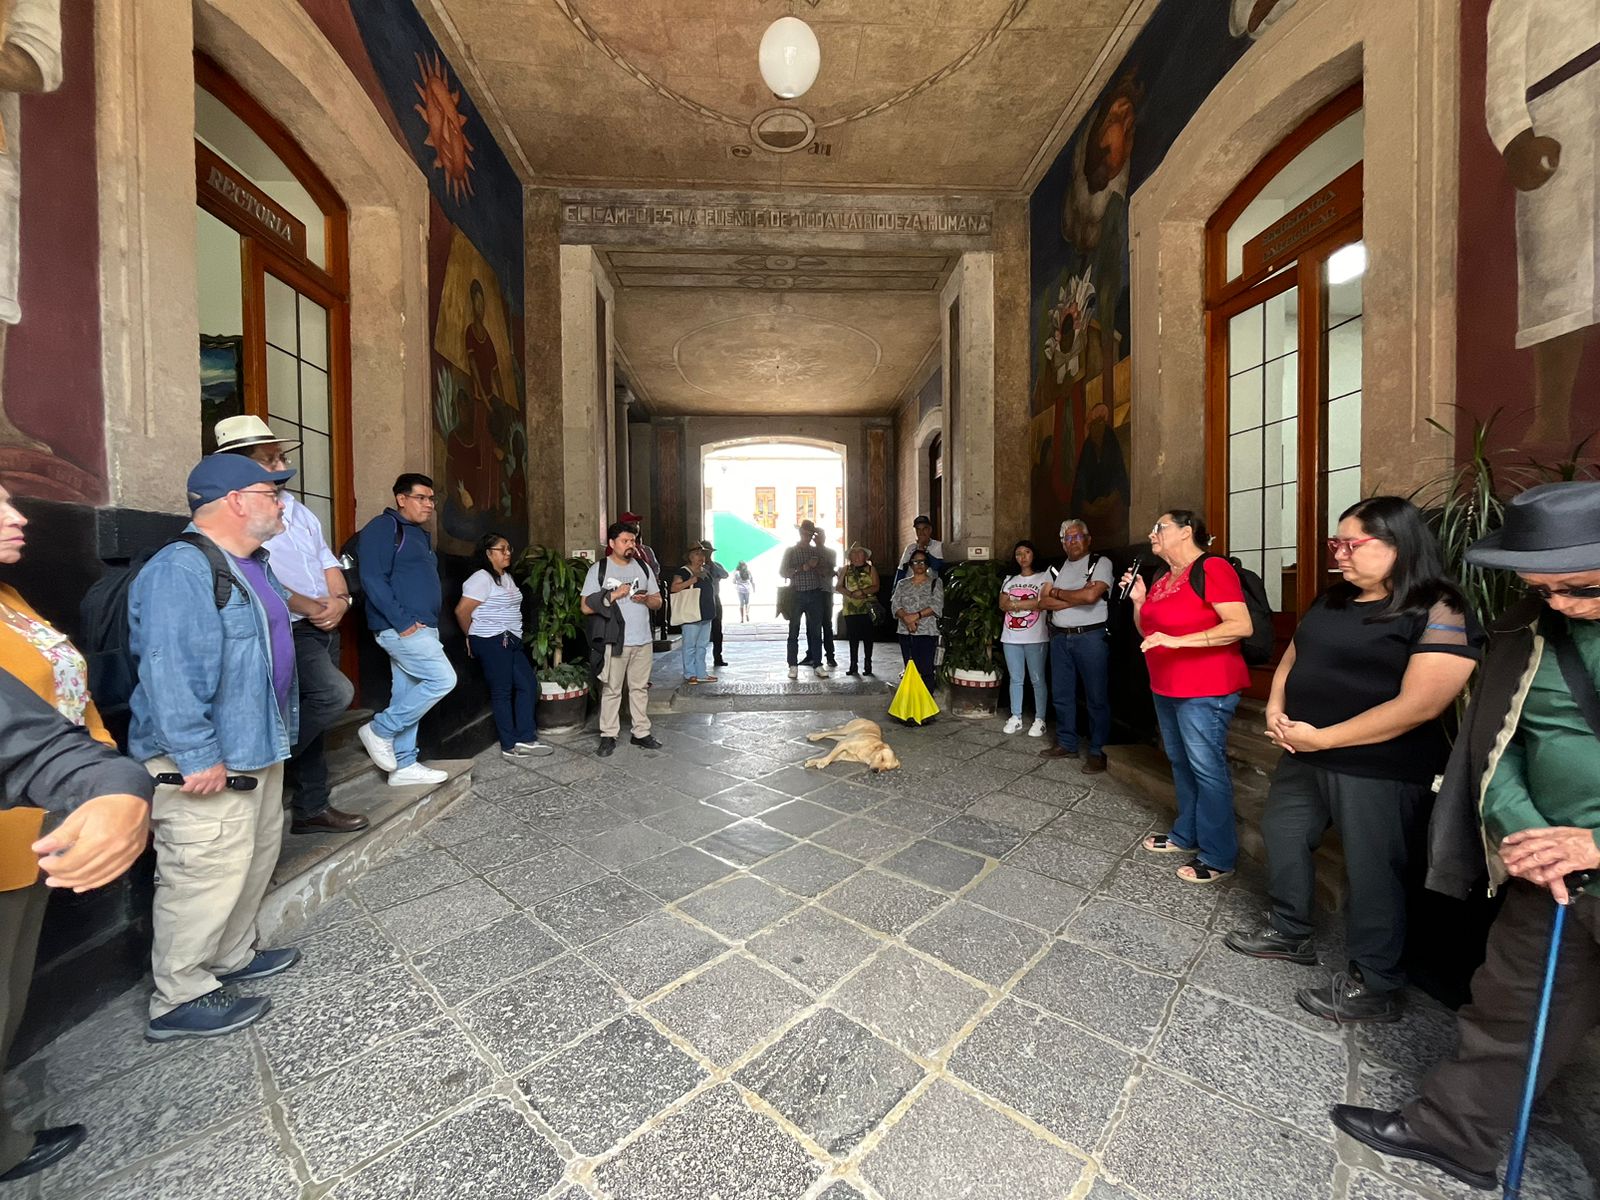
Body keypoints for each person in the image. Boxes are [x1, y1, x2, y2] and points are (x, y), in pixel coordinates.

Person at [1329, 481, 1600, 1191]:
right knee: (1508, 1003)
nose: (1561, 603)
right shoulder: (1527, 625)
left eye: (1579, 588)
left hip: (1591, 853)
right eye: (1543, 587)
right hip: (1550, 868)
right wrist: (1524, 827)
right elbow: (1496, 744)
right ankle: (1455, 1134)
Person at [1224, 497, 1484, 1024]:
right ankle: (1290, 930)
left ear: (1399, 545)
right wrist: (1276, 709)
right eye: (1335, 543)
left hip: (1380, 765)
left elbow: (1421, 704)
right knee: (1284, 832)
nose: (1338, 554)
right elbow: (1295, 654)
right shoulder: (1334, 599)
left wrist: (1328, 738)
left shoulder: (1439, 607)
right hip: (1305, 749)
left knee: (1373, 869)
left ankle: (1376, 981)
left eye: (1352, 544)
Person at [129, 454, 305, 1040]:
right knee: (202, 868)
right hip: (210, 756)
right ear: (234, 500)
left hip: (258, 741)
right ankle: (179, 994)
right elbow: (168, 668)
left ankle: (231, 956)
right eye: (271, 492)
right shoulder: (181, 568)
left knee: (250, 857)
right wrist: (196, 752)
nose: (281, 503)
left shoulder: (254, 563)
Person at [0, 671, 151, 1183]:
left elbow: (32, 739)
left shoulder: (17, 607)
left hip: (43, 822)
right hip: (47, 812)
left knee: (7, 996)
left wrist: (111, 781)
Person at [214, 416, 366, 835]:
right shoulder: (238, 510)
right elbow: (253, 570)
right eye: (269, 458)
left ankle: (312, 806)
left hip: (324, 623)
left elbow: (326, 559)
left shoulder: (298, 510)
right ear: (240, 468)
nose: (282, 463)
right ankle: (264, 765)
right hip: (287, 625)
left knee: (311, 715)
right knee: (333, 694)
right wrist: (310, 607)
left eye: (281, 455)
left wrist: (341, 601)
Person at [1123, 509, 1252, 884]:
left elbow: (1240, 626)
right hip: (1166, 684)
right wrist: (1139, 601)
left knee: (1207, 769)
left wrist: (1179, 641)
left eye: (1159, 527)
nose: (1151, 534)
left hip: (1206, 689)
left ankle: (1218, 854)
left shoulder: (1212, 568)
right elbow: (1148, 630)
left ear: (1186, 531)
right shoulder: (1163, 577)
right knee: (1180, 762)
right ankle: (1186, 834)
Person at [356, 474, 456, 787]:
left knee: (408, 692)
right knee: (443, 679)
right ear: (401, 498)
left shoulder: (416, 534)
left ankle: (403, 765)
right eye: (421, 498)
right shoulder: (383, 528)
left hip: (420, 627)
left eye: (431, 499)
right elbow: (373, 579)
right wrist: (402, 623)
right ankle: (380, 729)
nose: (429, 505)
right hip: (401, 628)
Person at [454, 533, 550, 762]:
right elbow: (461, 611)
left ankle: (526, 738)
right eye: (502, 549)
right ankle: (509, 744)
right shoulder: (481, 578)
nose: (508, 553)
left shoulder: (505, 577)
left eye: (509, 548)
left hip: (511, 638)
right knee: (502, 691)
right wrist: (471, 636)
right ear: (488, 553)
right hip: (492, 640)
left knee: (527, 684)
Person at [581, 522, 663, 757]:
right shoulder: (599, 569)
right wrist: (614, 595)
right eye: (625, 541)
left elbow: (658, 601)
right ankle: (608, 735)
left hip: (643, 640)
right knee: (612, 689)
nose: (631, 545)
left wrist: (647, 600)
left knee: (639, 689)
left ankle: (641, 733)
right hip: (614, 640)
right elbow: (585, 607)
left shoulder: (643, 568)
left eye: (633, 541)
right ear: (612, 544)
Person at [1039, 520, 1115, 767]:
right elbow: (1043, 602)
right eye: (1067, 539)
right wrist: (1078, 596)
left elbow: (1092, 595)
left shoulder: (1100, 563)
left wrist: (1059, 593)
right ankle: (1067, 743)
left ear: (1088, 539)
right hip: (1060, 637)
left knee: (1096, 696)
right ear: (1062, 543)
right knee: (1062, 694)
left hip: (1090, 638)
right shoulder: (1055, 568)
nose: (1073, 542)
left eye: (1077, 537)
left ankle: (1097, 750)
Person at [998, 540, 1053, 738]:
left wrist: (1016, 603)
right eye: (1018, 553)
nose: (1022, 557)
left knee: (1038, 679)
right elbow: (1002, 604)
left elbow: (1043, 603)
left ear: (1034, 554)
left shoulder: (1044, 576)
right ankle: (1016, 716)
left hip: (1036, 636)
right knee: (1016, 678)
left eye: (1027, 552)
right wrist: (1029, 604)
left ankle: (1040, 719)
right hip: (1011, 636)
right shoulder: (1009, 579)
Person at [781, 520, 831, 680]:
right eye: (805, 534)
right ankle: (792, 665)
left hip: (815, 594)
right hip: (796, 594)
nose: (807, 537)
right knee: (793, 630)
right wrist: (802, 568)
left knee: (816, 631)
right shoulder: (790, 551)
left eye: (810, 534)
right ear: (800, 533)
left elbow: (826, 572)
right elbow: (783, 572)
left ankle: (817, 664)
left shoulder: (817, 552)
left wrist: (817, 567)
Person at [891, 549, 943, 692]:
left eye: (923, 562)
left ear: (927, 565)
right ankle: (911, 705)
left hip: (927, 632)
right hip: (905, 632)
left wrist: (915, 616)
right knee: (910, 670)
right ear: (910, 565)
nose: (919, 564)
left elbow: (936, 606)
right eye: (915, 562)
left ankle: (926, 708)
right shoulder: (902, 584)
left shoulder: (935, 583)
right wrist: (906, 619)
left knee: (926, 671)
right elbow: (895, 605)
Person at [670, 543, 717, 685]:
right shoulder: (684, 572)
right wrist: (692, 580)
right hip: (691, 613)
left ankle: (701, 672)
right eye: (697, 554)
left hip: (706, 613)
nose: (701, 557)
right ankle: (690, 673)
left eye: (702, 554)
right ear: (689, 557)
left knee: (702, 645)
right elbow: (674, 588)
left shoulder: (705, 571)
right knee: (690, 645)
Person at [619, 511, 666, 646]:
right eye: (632, 523)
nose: (636, 526)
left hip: (646, 592)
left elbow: (655, 567)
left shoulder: (645, 549)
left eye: (637, 524)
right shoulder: (618, 547)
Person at [837, 543, 879, 677]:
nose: (856, 556)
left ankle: (868, 664)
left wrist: (862, 592)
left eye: (859, 553)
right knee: (852, 637)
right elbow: (838, 586)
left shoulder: (871, 569)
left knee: (868, 637)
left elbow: (876, 586)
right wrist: (850, 594)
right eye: (853, 554)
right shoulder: (846, 569)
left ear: (865, 556)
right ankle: (853, 664)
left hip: (867, 608)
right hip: (850, 608)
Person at [813, 527, 839, 670]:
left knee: (826, 625)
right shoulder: (809, 551)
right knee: (813, 626)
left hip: (826, 591)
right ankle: (812, 655)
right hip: (812, 591)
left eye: (820, 535)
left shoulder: (831, 552)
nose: (818, 538)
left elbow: (829, 570)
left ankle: (830, 655)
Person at [701, 540, 729, 668]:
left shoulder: (716, 565)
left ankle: (718, 657)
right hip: (701, 599)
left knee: (717, 628)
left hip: (715, 598)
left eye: (709, 552)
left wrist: (712, 565)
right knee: (701, 630)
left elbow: (725, 574)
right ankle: (699, 660)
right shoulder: (698, 567)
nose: (707, 555)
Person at [894, 515, 944, 585]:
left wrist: (923, 549)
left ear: (930, 530)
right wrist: (895, 590)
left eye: (924, 529)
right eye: (918, 529)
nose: (921, 532)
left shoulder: (938, 545)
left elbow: (937, 566)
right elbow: (901, 570)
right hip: (909, 587)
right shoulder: (910, 548)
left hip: (929, 587)